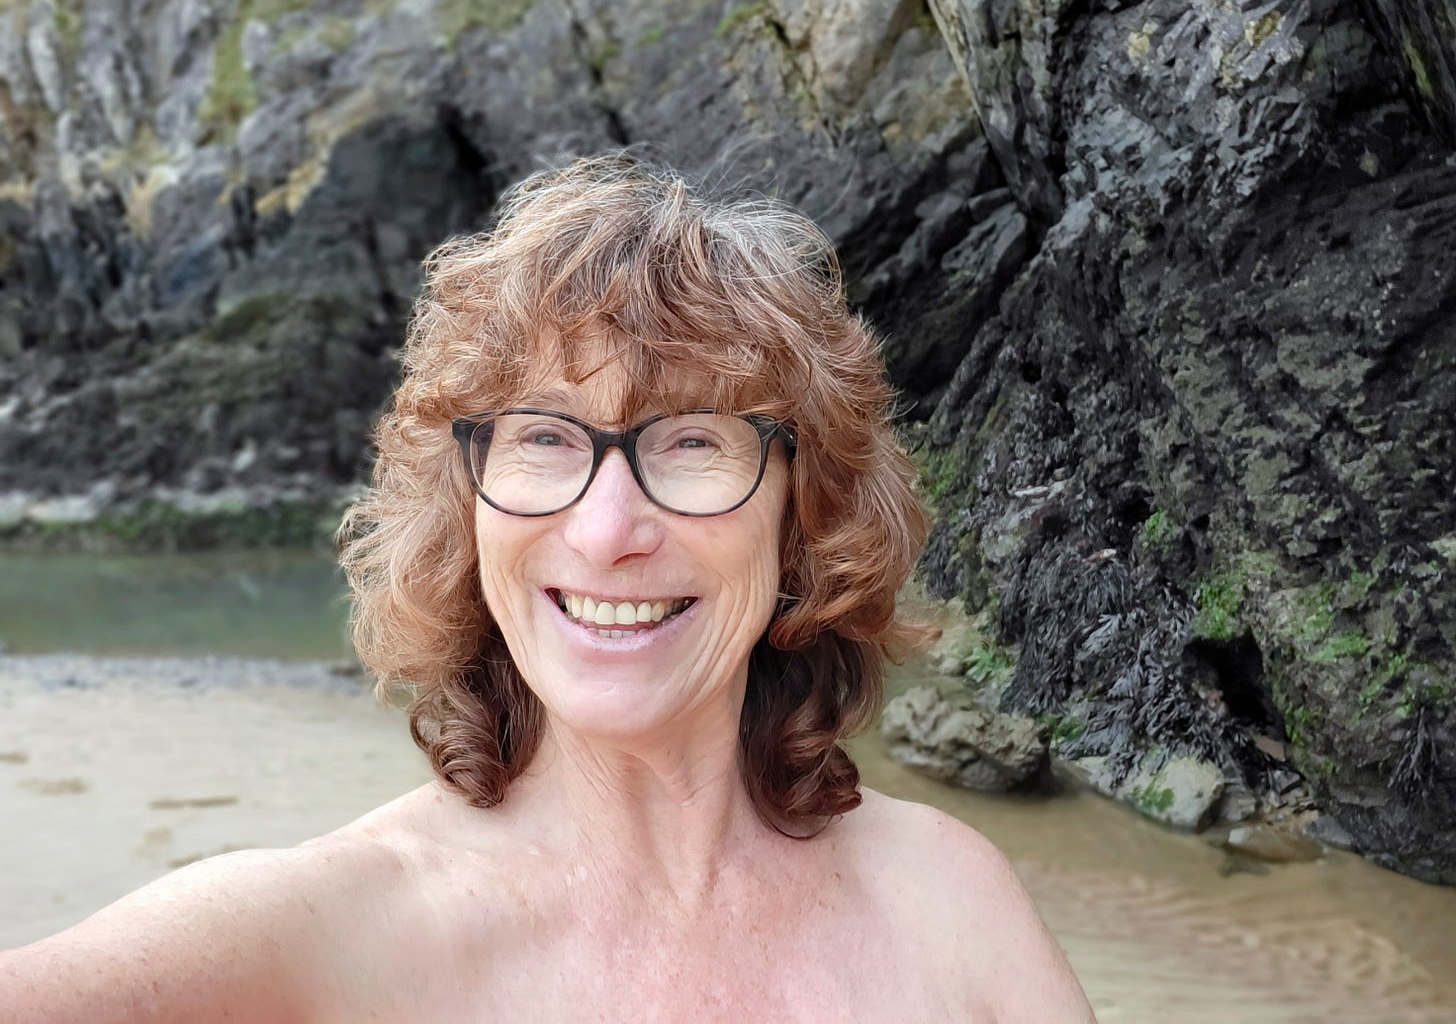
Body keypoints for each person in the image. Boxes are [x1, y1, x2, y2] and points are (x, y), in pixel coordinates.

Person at [0, 154, 1095, 1021]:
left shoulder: (950, 902)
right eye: (540, 439)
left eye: (692, 443)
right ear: (466, 509)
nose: (608, 529)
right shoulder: (330, 927)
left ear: (804, 514)